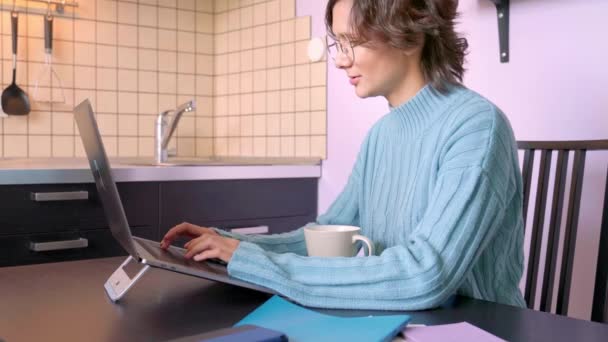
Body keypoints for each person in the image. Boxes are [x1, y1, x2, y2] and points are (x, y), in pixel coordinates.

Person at [161, 0, 526, 310]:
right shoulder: (380, 136)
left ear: (409, 34)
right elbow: (325, 239)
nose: (339, 61)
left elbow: (426, 273)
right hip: (401, 321)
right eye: (339, 43)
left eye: (353, 41)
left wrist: (252, 260)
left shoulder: (476, 126)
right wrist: (233, 245)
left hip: (474, 326)